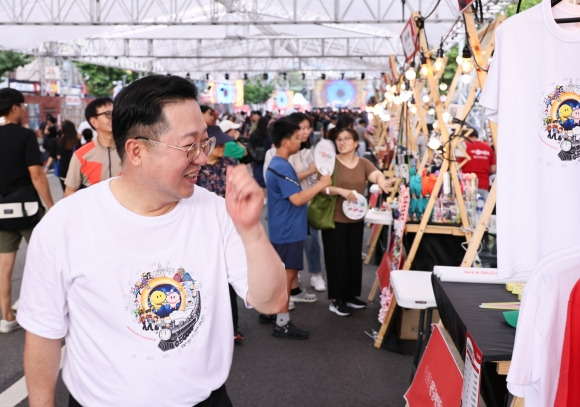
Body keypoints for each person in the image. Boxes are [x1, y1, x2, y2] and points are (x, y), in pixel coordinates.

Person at [17, 75, 287, 406]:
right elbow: (44, 333)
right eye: (190, 145)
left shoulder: (218, 213)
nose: (202, 157)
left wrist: (252, 229)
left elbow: (272, 303)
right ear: (137, 150)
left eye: (205, 142)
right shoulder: (66, 223)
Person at [265, 118, 331, 339]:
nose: (300, 140)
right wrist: (322, 183)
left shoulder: (280, 163)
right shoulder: (281, 165)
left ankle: (273, 313)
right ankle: (282, 322)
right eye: (296, 137)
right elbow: (298, 198)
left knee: (285, 273)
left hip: (285, 226)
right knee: (287, 274)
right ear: (285, 142)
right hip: (287, 228)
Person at [321, 128, 395, 317]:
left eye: (346, 139)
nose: (342, 142)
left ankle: (350, 296)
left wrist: (382, 181)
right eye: (338, 139)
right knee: (336, 258)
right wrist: (341, 191)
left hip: (355, 217)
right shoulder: (330, 163)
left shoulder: (363, 163)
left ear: (356, 143)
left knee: (353, 257)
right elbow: (323, 188)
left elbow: (375, 175)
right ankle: (336, 300)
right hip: (334, 218)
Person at [0, 88, 54, 334]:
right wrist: (50, 206)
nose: (23, 111)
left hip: (2, 211)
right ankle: (44, 308)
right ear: (14, 107)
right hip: (29, 209)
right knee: (45, 257)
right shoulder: (25, 135)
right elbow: (36, 174)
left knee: (4, 264)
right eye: (22, 106)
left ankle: (6, 315)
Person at [196, 126, 245, 343]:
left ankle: (232, 328)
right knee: (204, 278)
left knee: (228, 278)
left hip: (228, 225)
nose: (224, 148)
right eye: (220, 145)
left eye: (225, 144)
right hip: (202, 229)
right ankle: (203, 326)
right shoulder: (194, 169)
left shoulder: (231, 165)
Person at [287, 113, 327, 292]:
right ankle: (294, 276)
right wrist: (310, 171)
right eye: (301, 128)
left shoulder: (309, 152)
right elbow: (285, 179)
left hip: (309, 202)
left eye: (307, 127)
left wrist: (320, 172)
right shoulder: (282, 151)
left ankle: (316, 274)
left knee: (312, 241)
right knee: (291, 244)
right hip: (289, 205)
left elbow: (316, 175)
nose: (305, 131)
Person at [63, 97, 122, 197]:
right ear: (94, 122)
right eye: (108, 114)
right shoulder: (81, 155)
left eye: (116, 113)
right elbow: (70, 191)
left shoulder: (131, 150)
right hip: (94, 211)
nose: (114, 117)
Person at [458, 128, 496, 200]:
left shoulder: (465, 147)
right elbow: (493, 169)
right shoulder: (488, 148)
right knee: (483, 209)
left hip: (467, 184)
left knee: (467, 209)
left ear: (467, 136)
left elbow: (457, 165)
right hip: (484, 184)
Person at [54, 120, 81, 190]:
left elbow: (58, 156)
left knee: (66, 191)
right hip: (76, 170)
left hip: (64, 170)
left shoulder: (60, 141)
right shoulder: (77, 141)